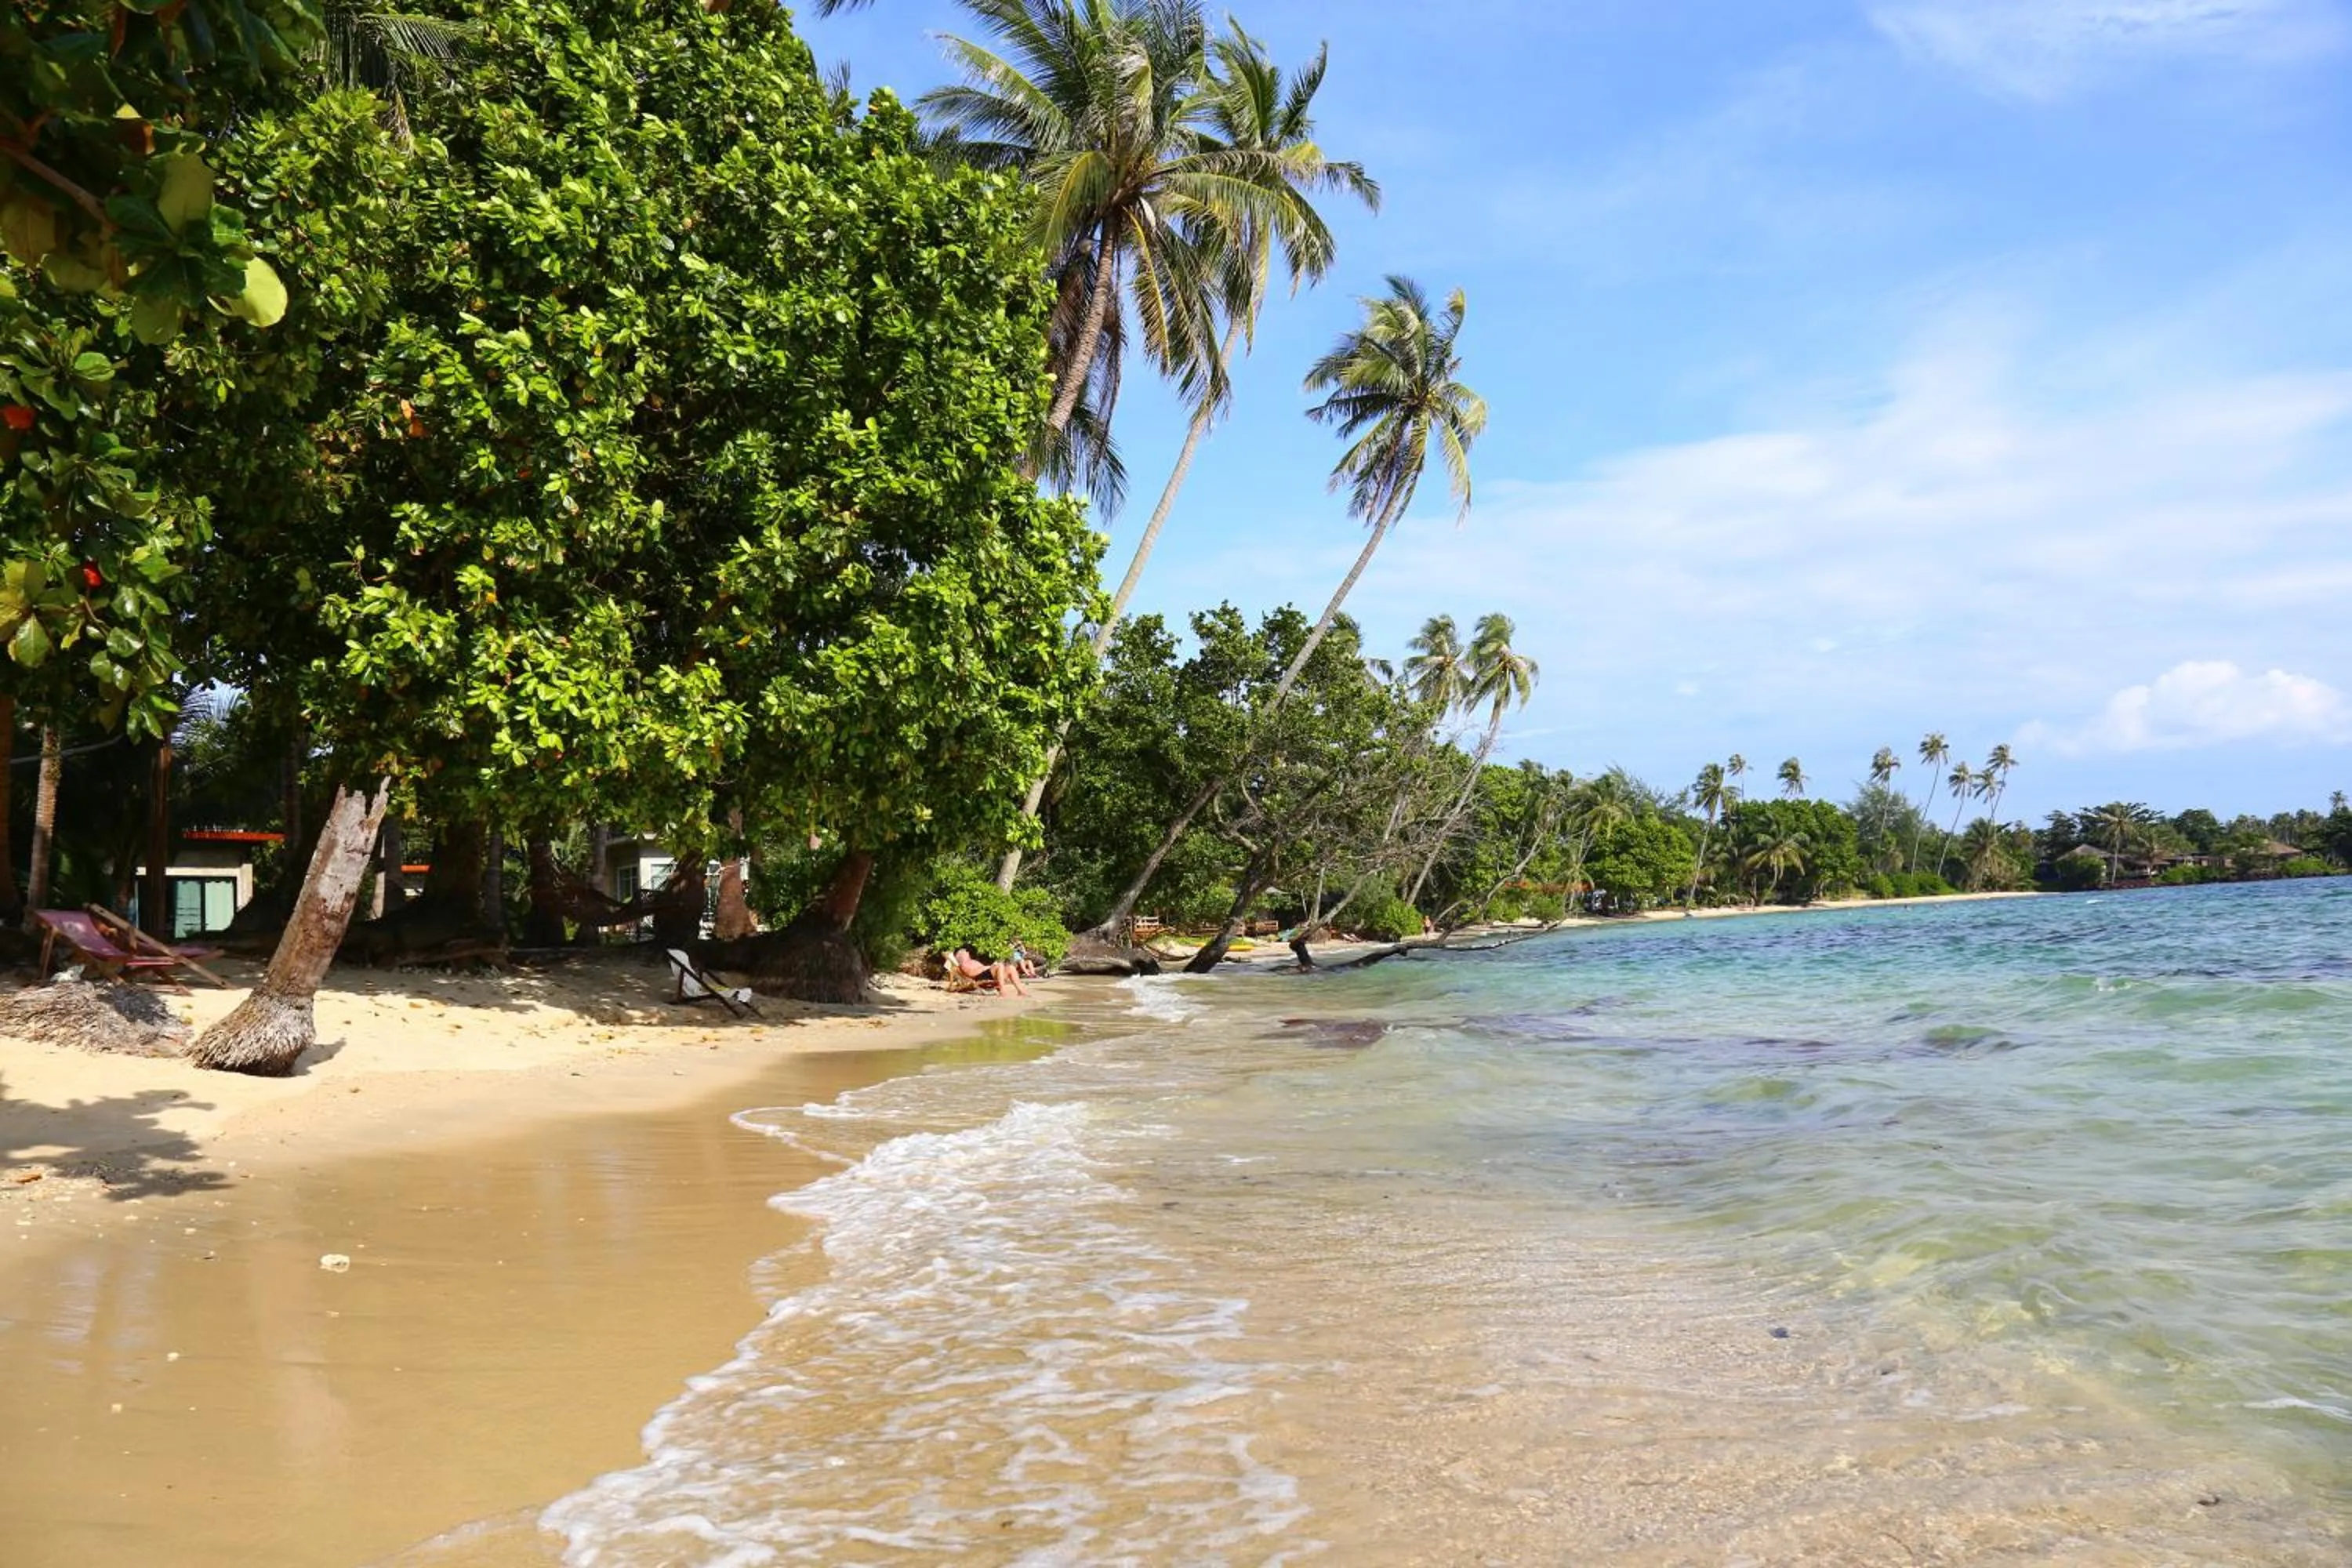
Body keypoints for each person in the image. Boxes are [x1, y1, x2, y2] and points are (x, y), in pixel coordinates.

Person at [949, 947, 1027, 998]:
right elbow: (971, 974)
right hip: (980, 977)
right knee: (999, 965)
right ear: (959, 956)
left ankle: (1021, 991)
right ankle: (1002, 991)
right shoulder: (962, 965)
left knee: (1011, 968)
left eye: (966, 952)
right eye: (964, 953)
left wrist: (988, 967)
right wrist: (987, 968)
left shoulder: (973, 961)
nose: (967, 953)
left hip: (988, 974)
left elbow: (983, 968)